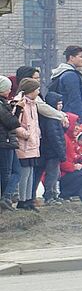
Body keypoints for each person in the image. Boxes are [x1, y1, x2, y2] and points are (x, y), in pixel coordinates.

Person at [34, 90, 67, 205]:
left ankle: (53, 194)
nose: (61, 106)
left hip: (51, 152)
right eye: (58, 104)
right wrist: (61, 153)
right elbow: (55, 138)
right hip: (52, 152)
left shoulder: (55, 117)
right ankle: (49, 196)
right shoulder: (52, 119)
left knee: (55, 174)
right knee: (52, 175)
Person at [50, 45, 82, 124]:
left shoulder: (69, 74)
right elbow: (75, 100)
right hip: (73, 120)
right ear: (71, 58)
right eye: (81, 56)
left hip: (70, 118)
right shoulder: (70, 75)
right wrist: (80, 121)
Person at [14, 78, 41, 211]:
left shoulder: (34, 105)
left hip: (33, 145)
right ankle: (22, 200)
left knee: (31, 173)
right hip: (24, 145)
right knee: (24, 174)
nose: (38, 92)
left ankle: (29, 199)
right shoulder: (21, 104)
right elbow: (15, 124)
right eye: (37, 89)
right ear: (30, 90)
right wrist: (26, 134)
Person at [0, 79, 24, 209]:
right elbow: (12, 123)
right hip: (5, 142)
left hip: (7, 142)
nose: (10, 90)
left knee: (15, 171)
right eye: (8, 88)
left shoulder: (4, 104)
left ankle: (6, 197)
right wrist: (19, 108)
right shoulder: (1, 105)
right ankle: (5, 198)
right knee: (8, 172)